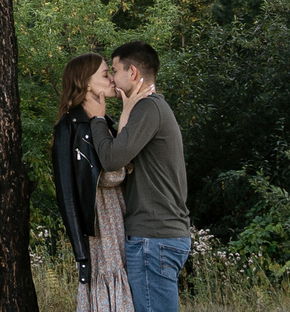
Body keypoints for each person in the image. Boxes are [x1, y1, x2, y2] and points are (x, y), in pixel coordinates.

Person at [97, 41, 191, 312]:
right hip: (159, 238)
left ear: (133, 72)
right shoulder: (150, 109)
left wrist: (98, 119)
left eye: (114, 70)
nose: (112, 78)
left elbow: (113, 158)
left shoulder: (148, 109)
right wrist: (125, 112)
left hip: (154, 239)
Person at [51, 53, 132, 312]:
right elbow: (68, 192)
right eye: (105, 74)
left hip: (120, 217)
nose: (111, 79)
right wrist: (80, 251)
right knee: (109, 284)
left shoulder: (103, 121)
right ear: (86, 83)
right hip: (100, 223)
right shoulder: (70, 126)